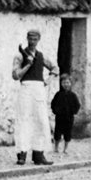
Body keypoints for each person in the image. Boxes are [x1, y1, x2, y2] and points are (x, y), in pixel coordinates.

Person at [12, 29, 57, 166]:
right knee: (24, 120)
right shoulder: (20, 55)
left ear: (38, 40)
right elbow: (15, 75)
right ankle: (22, 154)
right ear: (27, 39)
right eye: (30, 39)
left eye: (35, 39)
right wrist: (28, 65)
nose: (32, 42)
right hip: (25, 88)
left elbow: (55, 69)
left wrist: (48, 80)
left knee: (41, 120)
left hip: (39, 90)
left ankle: (39, 154)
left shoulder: (41, 56)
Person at [51, 74, 82, 154]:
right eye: (64, 82)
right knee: (57, 132)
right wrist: (55, 111)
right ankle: (56, 147)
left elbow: (77, 105)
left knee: (68, 133)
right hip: (59, 117)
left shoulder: (73, 95)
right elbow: (53, 104)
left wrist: (73, 112)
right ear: (61, 84)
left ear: (70, 83)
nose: (66, 84)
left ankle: (65, 148)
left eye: (67, 82)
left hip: (69, 117)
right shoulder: (58, 95)